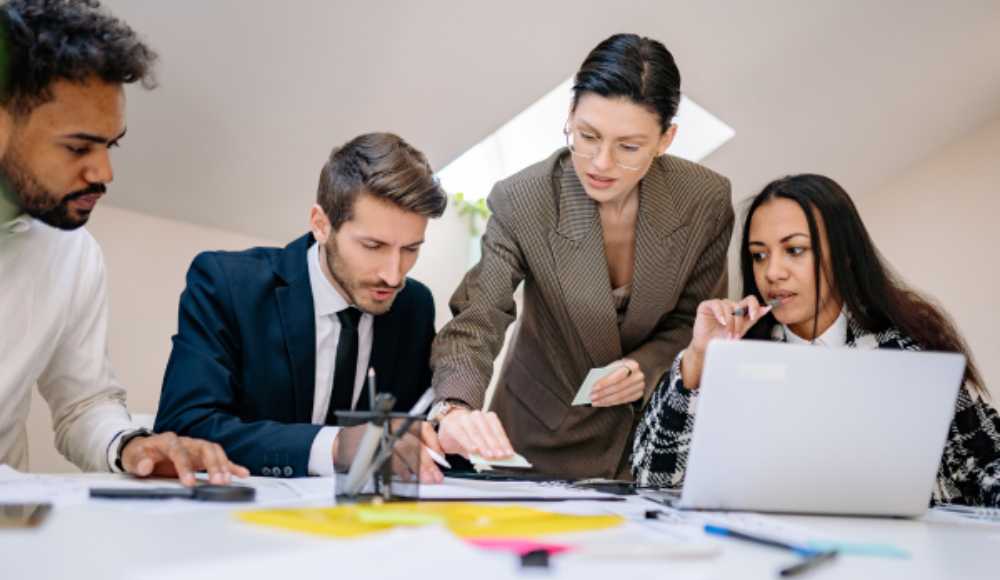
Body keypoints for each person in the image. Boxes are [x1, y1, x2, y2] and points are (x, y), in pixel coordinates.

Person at [429, 33, 734, 479]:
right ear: (570, 115)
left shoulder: (704, 200)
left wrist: (645, 367)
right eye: (587, 135)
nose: (600, 163)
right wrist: (454, 408)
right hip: (533, 440)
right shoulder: (524, 199)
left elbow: (695, 321)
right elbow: (478, 317)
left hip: (648, 442)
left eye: (628, 147)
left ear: (666, 139)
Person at [632, 173, 1000, 506]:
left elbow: (986, 462)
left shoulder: (909, 351)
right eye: (759, 256)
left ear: (845, 257)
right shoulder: (735, 357)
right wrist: (699, 359)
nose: (772, 273)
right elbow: (653, 478)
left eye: (795, 250)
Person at [0, 0, 247, 484]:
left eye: (110, 146)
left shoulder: (72, 253)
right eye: (78, 147)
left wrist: (132, 444)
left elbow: (84, 403)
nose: (104, 173)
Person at [155, 132, 448, 481]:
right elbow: (184, 426)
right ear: (321, 225)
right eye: (373, 246)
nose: (393, 275)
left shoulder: (414, 306)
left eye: (411, 249)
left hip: (366, 527)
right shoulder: (228, 285)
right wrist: (334, 446)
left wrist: (444, 433)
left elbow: (413, 431)